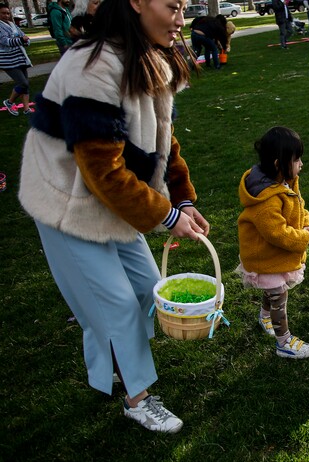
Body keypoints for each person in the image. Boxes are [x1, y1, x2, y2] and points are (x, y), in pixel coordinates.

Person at [18, 0, 209, 433]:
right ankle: (137, 399)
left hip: (110, 202)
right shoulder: (92, 65)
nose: (182, 18)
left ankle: (119, 367)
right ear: (138, 3)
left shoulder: (147, 55)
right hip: (66, 205)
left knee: (146, 288)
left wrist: (183, 199)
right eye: (173, 6)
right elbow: (102, 169)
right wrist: (165, 216)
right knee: (115, 304)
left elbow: (165, 140)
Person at [236, 127, 309, 360]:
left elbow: (300, 207)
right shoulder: (266, 200)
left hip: (273, 256)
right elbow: (277, 233)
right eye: (297, 159)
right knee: (279, 298)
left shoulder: (286, 182)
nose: (301, 164)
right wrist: (303, 238)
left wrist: (308, 226)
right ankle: (284, 342)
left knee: (273, 292)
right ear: (278, 163)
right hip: (264, 256)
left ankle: (265, 317)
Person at [1, 2, 33, 116]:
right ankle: (9, 102)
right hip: (7, 60)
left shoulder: (12, 24)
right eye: (3, 13)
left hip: (20, 58)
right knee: (23, 83)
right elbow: (6, 41)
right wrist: (21, 40)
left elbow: (23, 35)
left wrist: (26, 40)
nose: (6, 15)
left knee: (26, 84)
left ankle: (26, 108)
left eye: (8, 13)